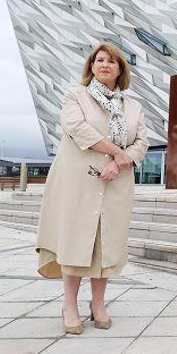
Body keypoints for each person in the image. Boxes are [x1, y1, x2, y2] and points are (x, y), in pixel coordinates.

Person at [36, 42, 149, 334]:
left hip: (116, 184)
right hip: (79, 182)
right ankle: (69, 304)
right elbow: (77, 128)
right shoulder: (75, 96)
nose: (105, 65)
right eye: (99, 60)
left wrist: (119, 161)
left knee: (107, 245)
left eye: (112, 62)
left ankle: (98, 303)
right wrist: (117, 151)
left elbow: (142, 142)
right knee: (74, 241)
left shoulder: (133, 107)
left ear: (120, 69)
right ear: (91, 66)